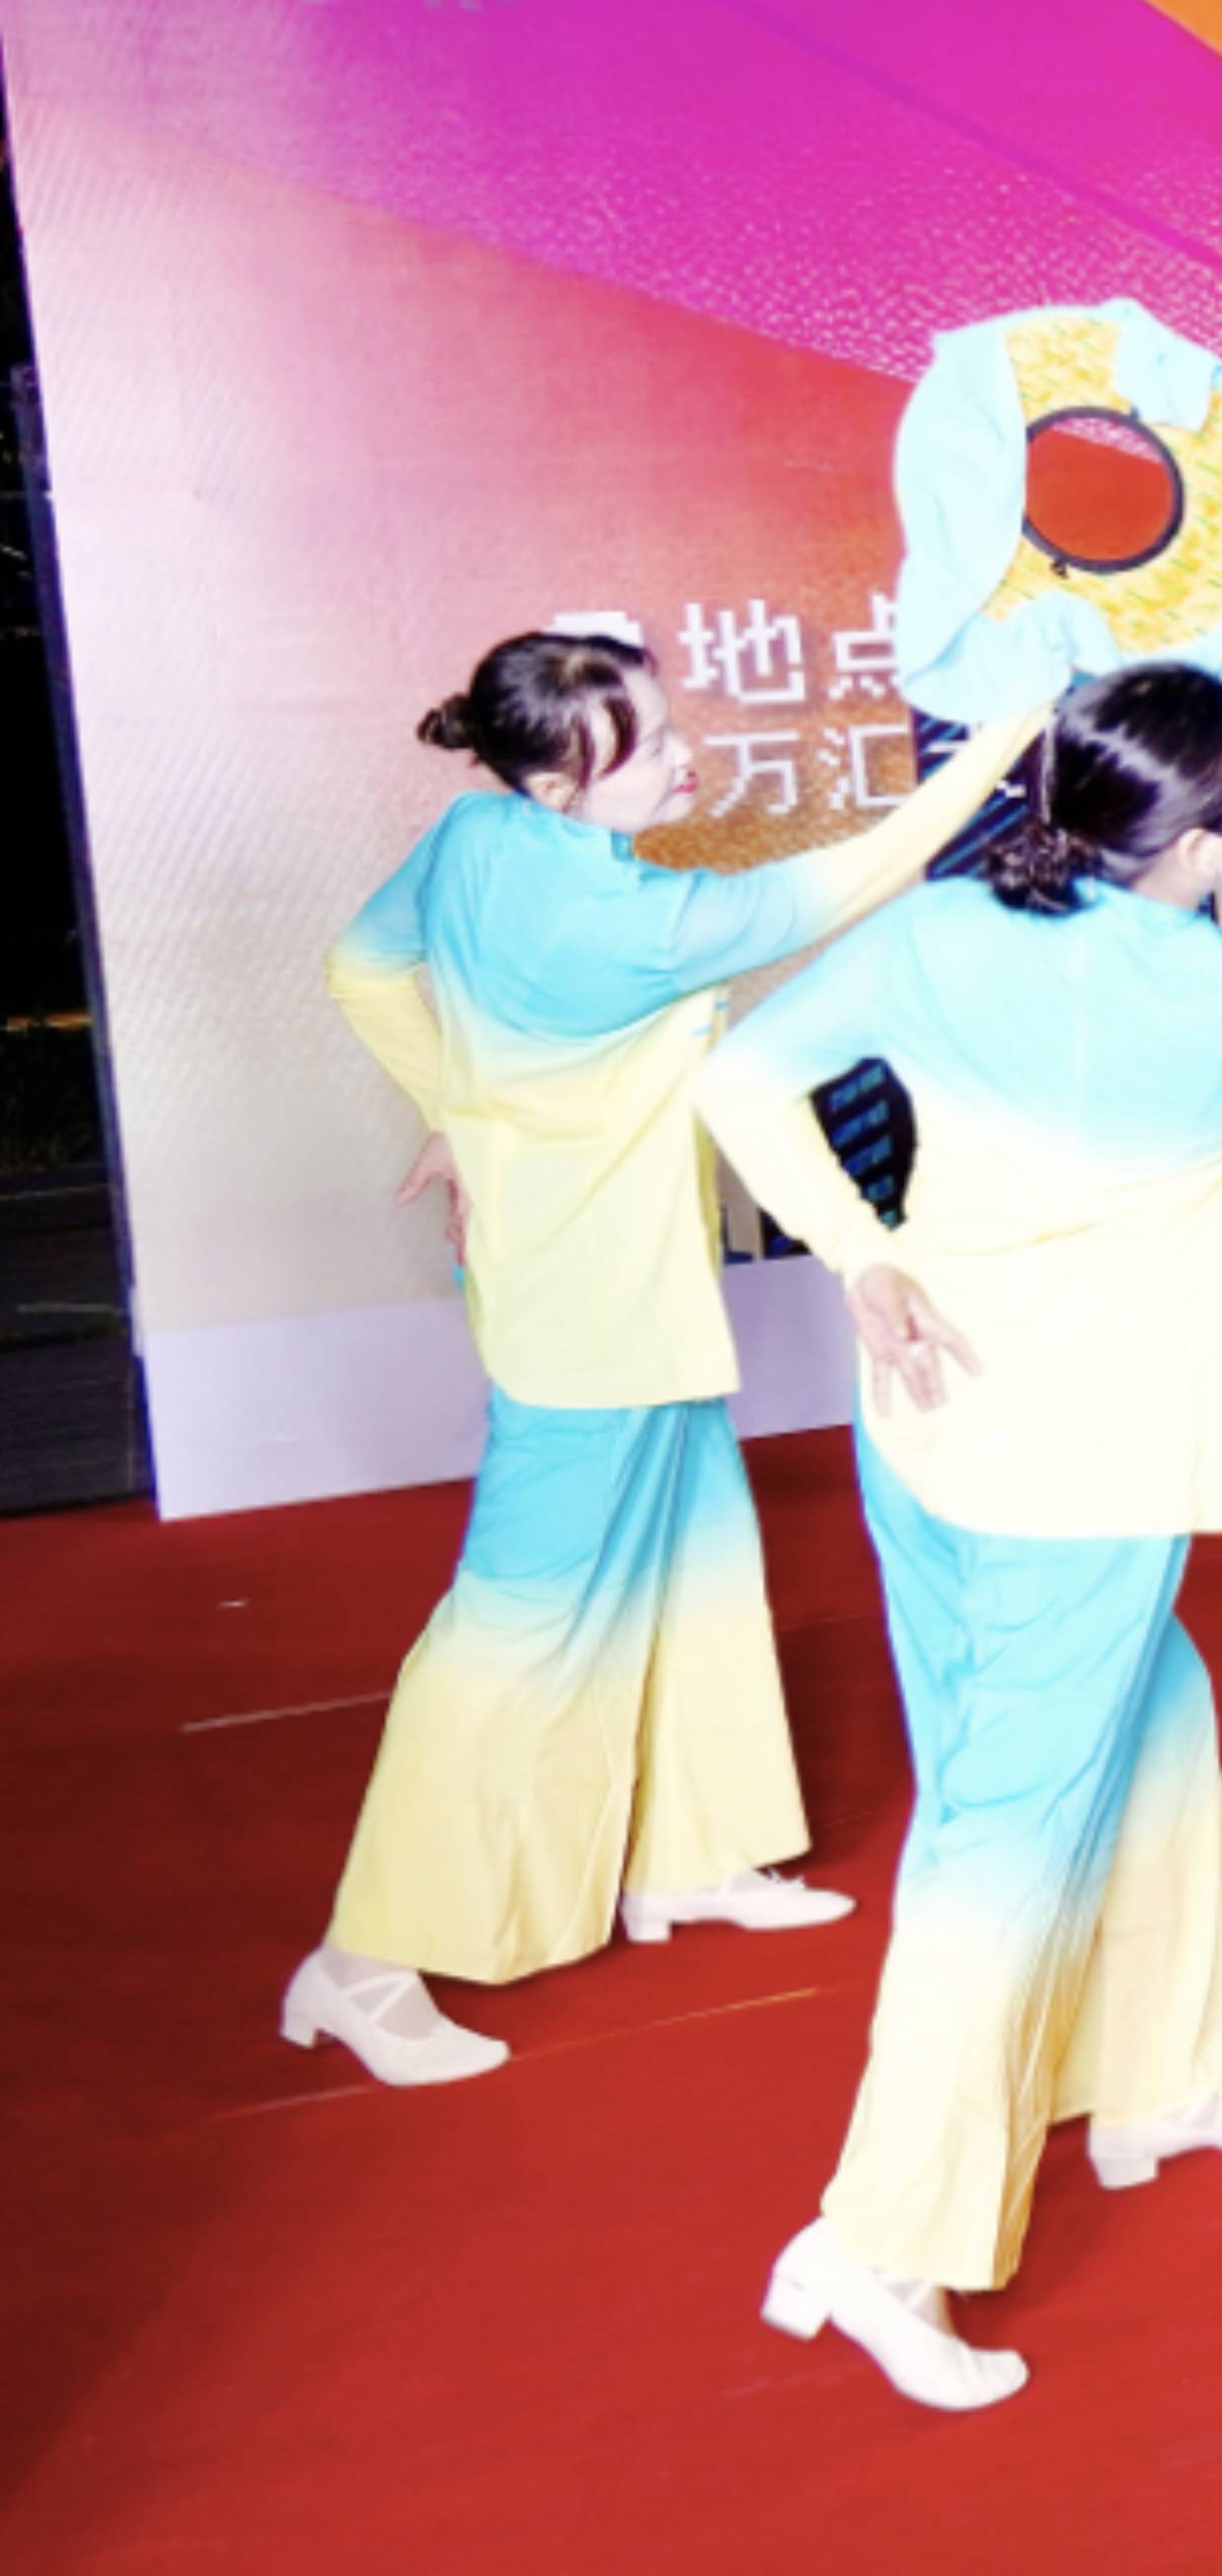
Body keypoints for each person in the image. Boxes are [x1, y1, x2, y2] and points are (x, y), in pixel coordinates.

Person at [701, 658, 1222, 2409]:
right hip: (1081, 1467)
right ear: (1198, 841)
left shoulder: (950, 930)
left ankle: (1161, 2071)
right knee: (998, 1843)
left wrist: (861, 1251)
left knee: (1148, 1727)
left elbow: (741, 1080)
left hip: (928, 1418)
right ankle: (876, 2238)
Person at [283, 638, 1042, 2091]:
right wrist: (1015, 720)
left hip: (610, 1267)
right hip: (587, 1302)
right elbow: (874, 866)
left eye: (669, 723)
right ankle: (364, 1957)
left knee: (698, 1547)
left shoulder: (476, 833)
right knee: (514, 1624)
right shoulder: (632, 923)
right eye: (645, 744)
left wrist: (461, 1104)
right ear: (558, 782)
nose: (685, 755)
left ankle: (692, 1851)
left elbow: (360, 963)